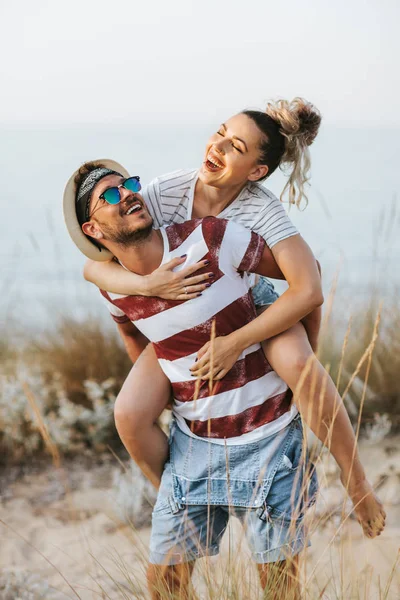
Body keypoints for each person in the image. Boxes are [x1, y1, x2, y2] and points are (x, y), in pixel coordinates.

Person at [82, 99, 386, 541]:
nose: (218, 146)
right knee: (128, 413)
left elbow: (310, 282)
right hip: (183, 313)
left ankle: (355, 479)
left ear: (256, 171)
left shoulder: (261, 211)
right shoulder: (166, 193)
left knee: (299, 366)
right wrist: (148, 290)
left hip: (253, 301)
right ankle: (178, 502)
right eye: (220, 132)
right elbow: (97, 262)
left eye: (236, 146)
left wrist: (279, 349)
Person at [63, 159, 324, 598]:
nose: (127, 193)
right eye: (108, 196)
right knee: (164, 585)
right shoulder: (115, 287)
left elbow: (305, 277)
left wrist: (301, 357)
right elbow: (128, 326)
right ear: (93, 230)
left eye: (128, 184)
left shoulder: (208, 236)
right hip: (193, 447)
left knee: (281, 588)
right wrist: (163, 379)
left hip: (269, 439)